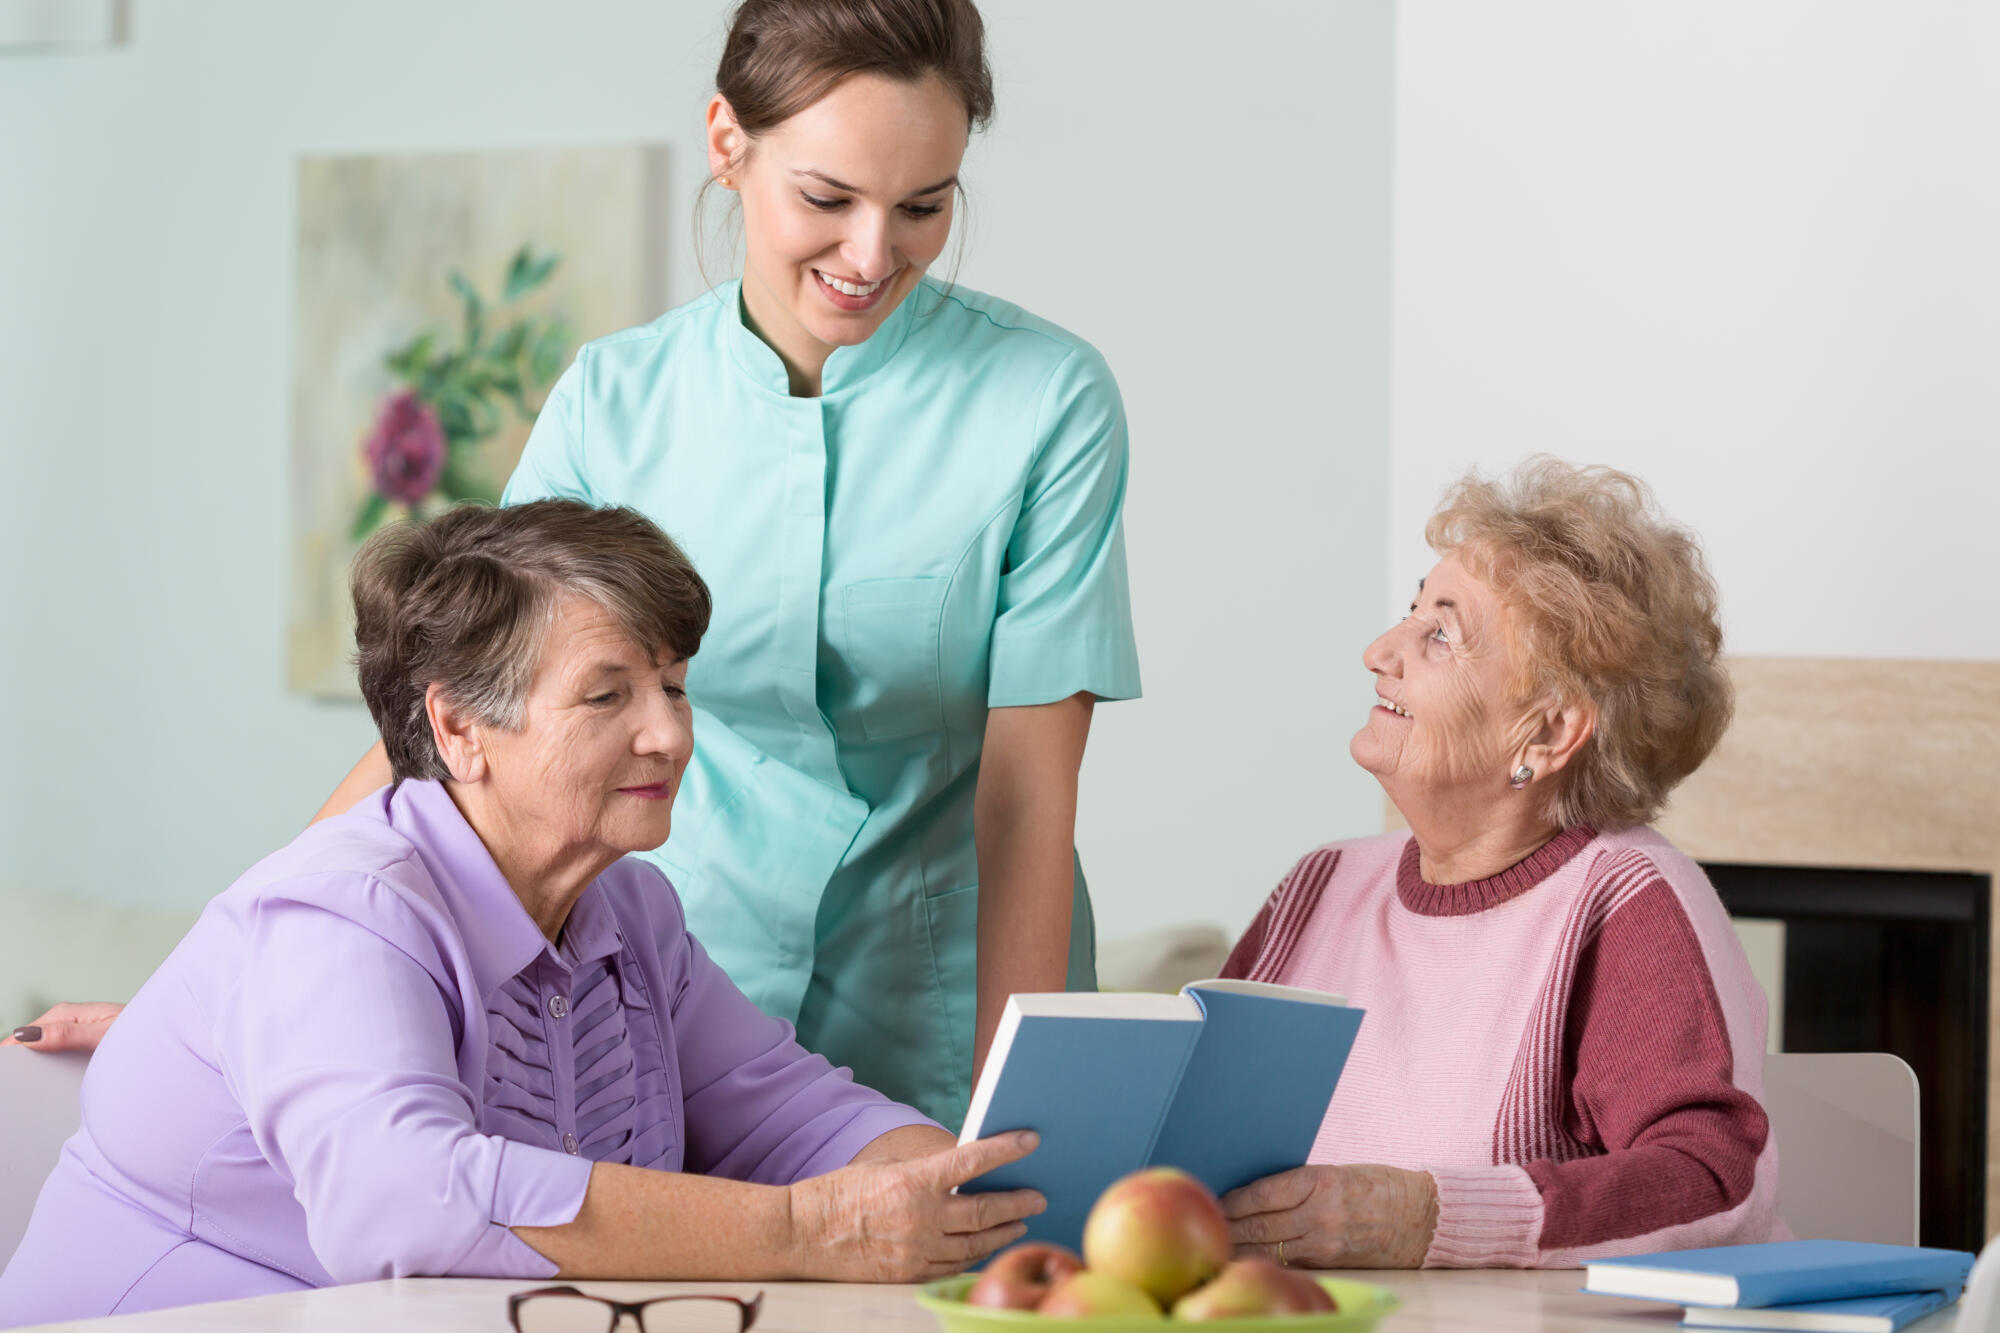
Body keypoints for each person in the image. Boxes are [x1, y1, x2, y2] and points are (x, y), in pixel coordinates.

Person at [0, 502, 1043, 1327]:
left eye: (674, 686)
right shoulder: (344, 913)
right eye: (608, 696)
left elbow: (791, 1112)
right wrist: (804, 1230)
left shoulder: (629, 909)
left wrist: (983, 1202)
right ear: (459, 727)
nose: (670, 735)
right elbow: (403, 1202)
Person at [1214, 459, 1782, 1270]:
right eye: (1410, 613)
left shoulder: (1623, 900)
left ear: (1547, 732)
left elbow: (1715, 1180)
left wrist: (1429, 1217)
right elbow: (1189, 1136)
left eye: (1440, 635)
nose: (1379, 651)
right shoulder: (1321, 885)